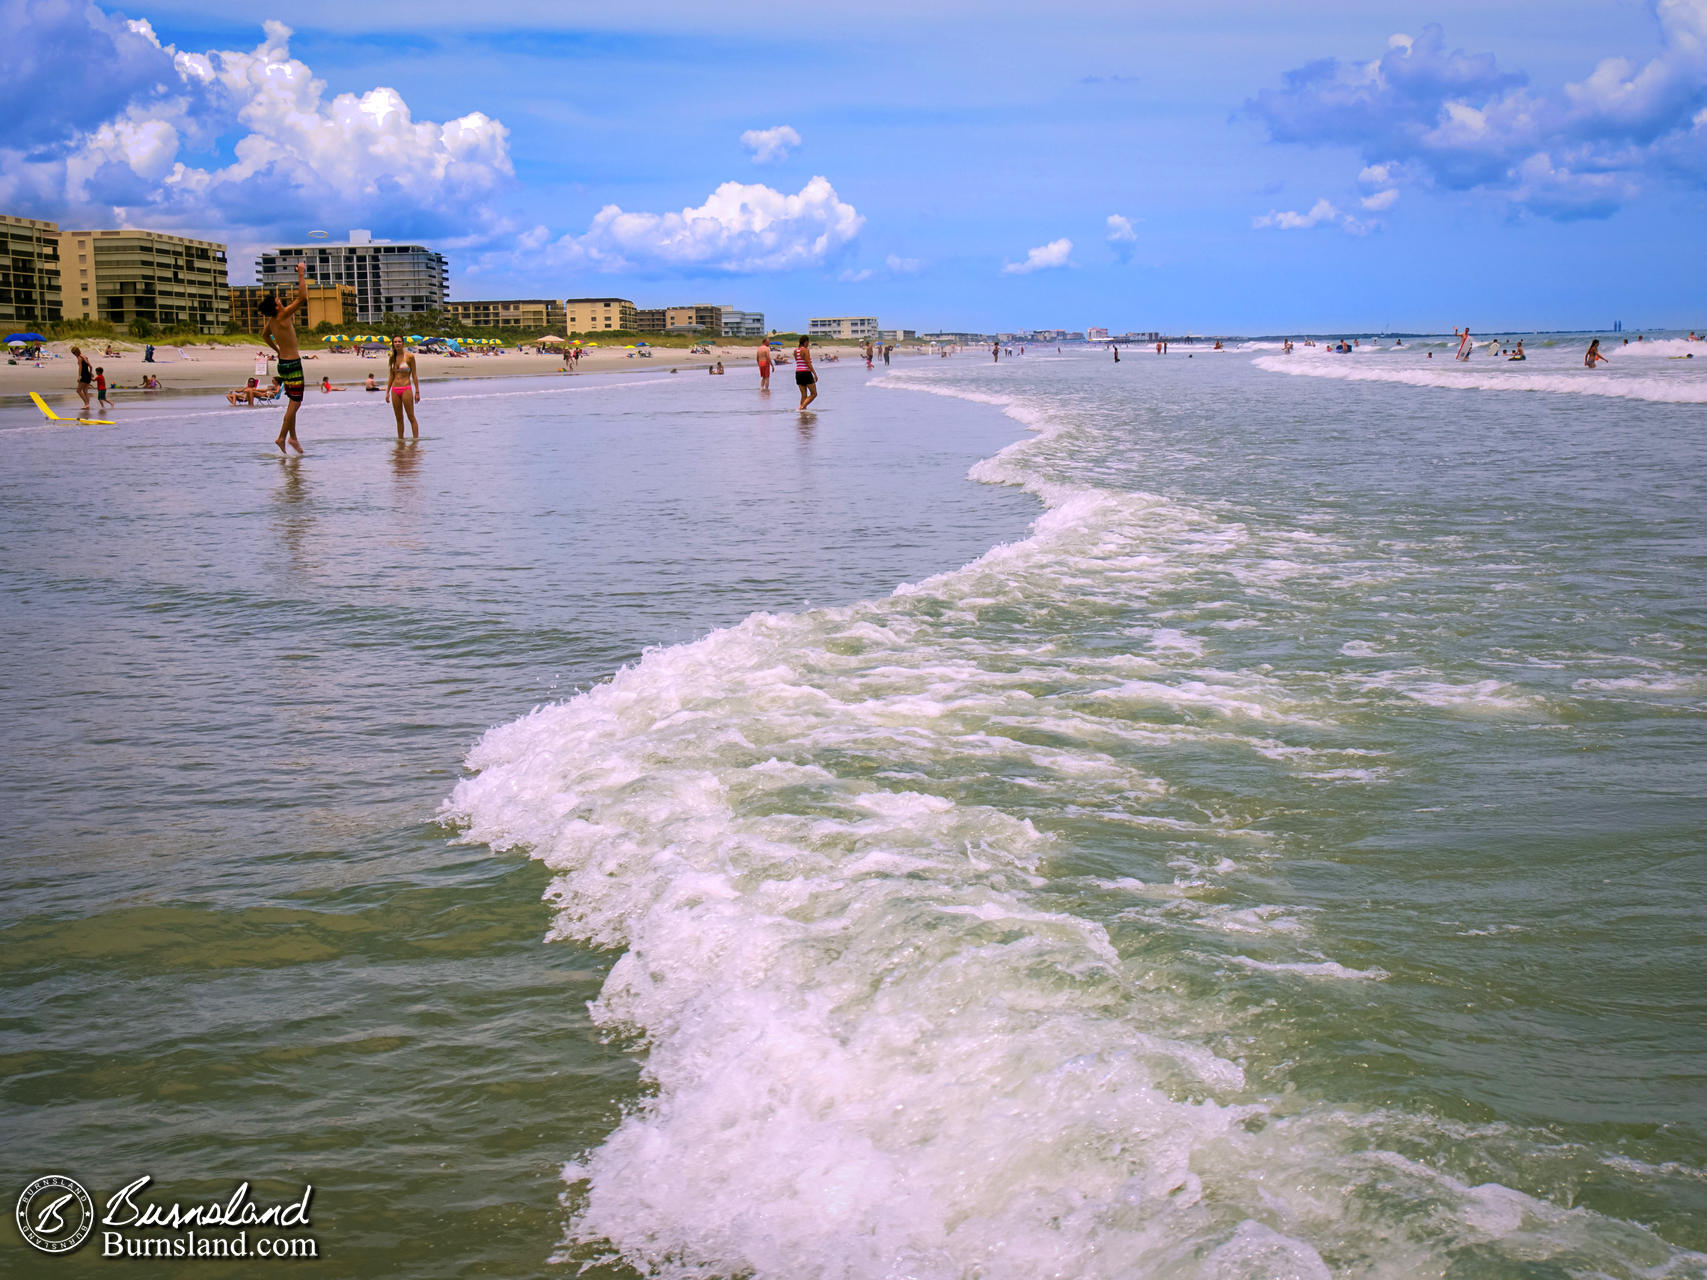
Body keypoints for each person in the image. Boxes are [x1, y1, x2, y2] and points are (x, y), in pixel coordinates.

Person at [260, 262, 309, 453]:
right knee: (296, 402)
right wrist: (301, 274)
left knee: (292, 401)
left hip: (283, 363)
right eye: (278, 300)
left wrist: (277, 350)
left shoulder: (272, 321)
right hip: (293, 365)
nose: (280, 300)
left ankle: (293, 438)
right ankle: (282, 437)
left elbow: (264, 335)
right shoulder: (283, 315)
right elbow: (302, 298)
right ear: (277, 306)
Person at [386, 335, 421, 439]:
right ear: (393, 344)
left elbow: (414, 374)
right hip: (395, 390)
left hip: (406, 388)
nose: (397, 343)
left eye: (399, 341)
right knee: (399, 418)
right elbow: (391, 375)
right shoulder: (392, 357)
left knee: (411, 416)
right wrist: (387, 392)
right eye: (395, 342)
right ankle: (400, 442)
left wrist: (417, 392)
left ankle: (415, 441)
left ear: (403, 343)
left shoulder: (409, 357)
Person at [794, 335, 818, 409]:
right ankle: (801, 408)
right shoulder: (805, 350)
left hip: (798, 373)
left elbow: (797, 361)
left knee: (804, 395)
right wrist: (814, 373)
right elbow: (808, 363)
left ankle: (803, 413)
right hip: (806, 373)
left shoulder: (796, 351)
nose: (808, 344)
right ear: (805, 342)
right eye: (808, 342)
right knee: (814, 394)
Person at [70, 345, 94, 412]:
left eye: (74, 353)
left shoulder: (79, 357)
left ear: (76, 352)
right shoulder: (84, 356)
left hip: (84, 375)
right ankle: (87, 404)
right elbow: (91, 366)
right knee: (85, 391)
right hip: (88, 375)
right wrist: (91, 373)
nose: (74, 355)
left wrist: (79, 376)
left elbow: (80, 368)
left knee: (78, 390)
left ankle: (86, 403)